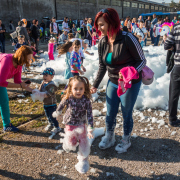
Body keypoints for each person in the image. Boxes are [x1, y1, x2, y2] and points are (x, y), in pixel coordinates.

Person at [91, 8, 146, 153]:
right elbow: (102, 65)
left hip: (130, 83)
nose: (98, 28)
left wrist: (130, 73)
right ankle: (110, 136)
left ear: (111, 22)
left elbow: (142, 61)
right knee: (110, 112)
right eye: (98, 25)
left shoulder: (128, 38)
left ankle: (126, 139)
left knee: (126, 112)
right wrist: (95, 85)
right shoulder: (102, 41)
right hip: (113, 81)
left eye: (102, 24)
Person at [52, 76, 93, 174]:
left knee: (83, 142)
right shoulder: (68, 98)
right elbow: (61, 106)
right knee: (72, 142)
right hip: (70, 123)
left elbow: (90, 114)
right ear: (70, 89)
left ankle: (83, 160)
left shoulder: (86, 100)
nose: (78, 91)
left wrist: (90, 127)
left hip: (81, 123)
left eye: (81, 89)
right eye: (75, 89)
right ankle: (68, 143)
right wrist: (58, 113)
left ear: (85, 89)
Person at [0, 46, 33, 132]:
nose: (28, 61)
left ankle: (7, 126)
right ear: (22, 56)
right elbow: (1, 82)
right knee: (3, 101)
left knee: (4, 101)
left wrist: (31, 90)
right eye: (27, 59)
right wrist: (20, 86)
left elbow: (17, 81)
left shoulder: (19, 63)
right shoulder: (7, 60)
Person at [32, 68, 61, 135]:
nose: (44, 77)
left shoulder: (52, 85)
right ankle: (51, 124)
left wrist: (40, 94)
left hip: (52, 104)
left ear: (51, 77)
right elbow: (40, 90)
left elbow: (48, 94)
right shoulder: (43, 83)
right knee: (48, 115)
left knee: (52, 116)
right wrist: (37, 91)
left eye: (46, 75)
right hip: (45, 104)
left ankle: (57, 127)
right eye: (43, 75)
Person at [164, 23, 180, 127]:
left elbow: (167, 45)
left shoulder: (176, 27)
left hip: (178, 65)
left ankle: (172, 118)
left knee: (174, 92)